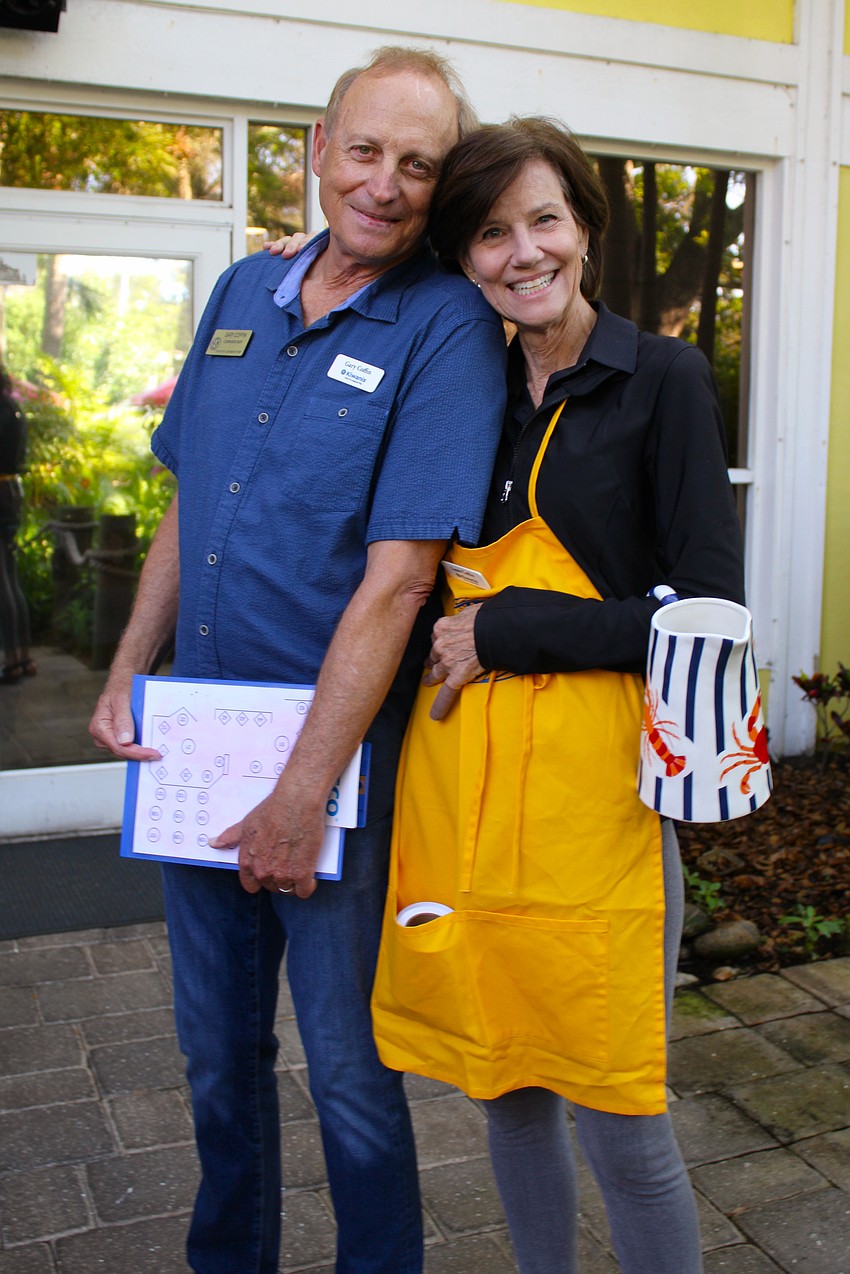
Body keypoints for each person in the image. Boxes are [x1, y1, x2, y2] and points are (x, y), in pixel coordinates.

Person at [88, 47, 508, 1274]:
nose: (384, 182)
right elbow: (189, 501)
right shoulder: (241, 290)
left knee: (348, 1073)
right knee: (215, 1057)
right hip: (197, 747)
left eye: (418, 164)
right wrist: (127, 667)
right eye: (365, 149)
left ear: (440, 186)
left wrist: (299, 792)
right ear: (317, 149)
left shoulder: (446, 325)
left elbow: (400, 580)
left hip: (331, 772)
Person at [367, 118, 746, 1274]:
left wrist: (505, 627)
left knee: (621, 1114)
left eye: (543, 219)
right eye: (490, 232)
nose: (522, 251)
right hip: (461, 787)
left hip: (599, 798)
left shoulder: (662, 379)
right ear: (461, 255)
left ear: (584, 225)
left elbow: (708, 612)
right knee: (505, 1087)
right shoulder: (459, 382)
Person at [0, 362, 36, 685]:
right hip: (11, 492)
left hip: (1, 494)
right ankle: (23, 655)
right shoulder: (13, 408)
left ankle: (11, 659)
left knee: (4, 581)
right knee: (10, 577)